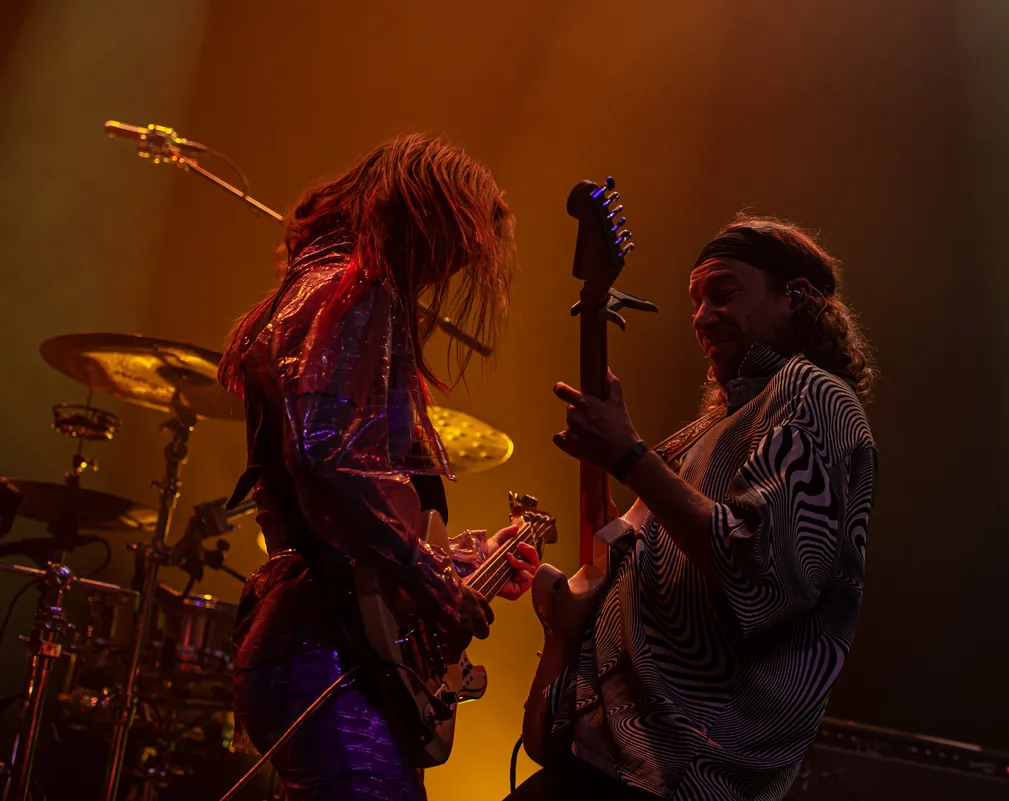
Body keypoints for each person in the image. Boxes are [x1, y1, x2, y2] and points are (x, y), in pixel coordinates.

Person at [218, 133, 539, 801]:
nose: (448, 272)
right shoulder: (352, 290)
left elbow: (351, 501)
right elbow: (327, 457)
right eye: (452, 251)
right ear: (426, 220)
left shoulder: (313, 290)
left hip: (313, 636)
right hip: (328, 645)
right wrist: (435, 582)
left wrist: (465, 560)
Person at [515, 216, 878, 801]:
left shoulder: (815, 393)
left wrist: (630, 457)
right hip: (613, 759)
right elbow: (633, 556)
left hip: (684, 772)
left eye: (724, 294)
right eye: (696, 301)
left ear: (796, 297)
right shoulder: (709, 430)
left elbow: (761, 569)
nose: (703, 318)